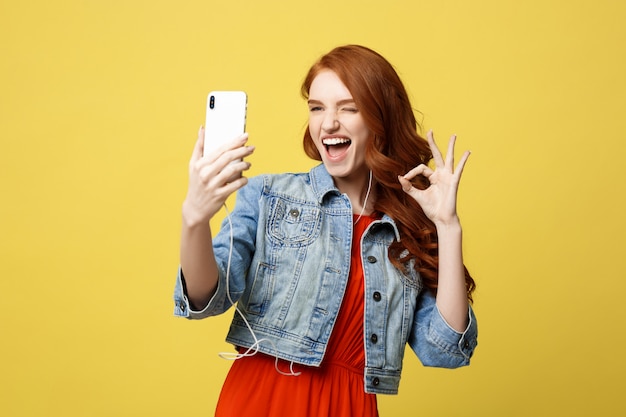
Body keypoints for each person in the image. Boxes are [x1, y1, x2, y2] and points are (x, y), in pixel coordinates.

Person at [173, 44, 478, 416]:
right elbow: (206, 298)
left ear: (381, 119)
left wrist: (447, 227)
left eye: (347, 108)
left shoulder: (405, 228)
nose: (327, 123)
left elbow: (443, 349)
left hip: (349, 406)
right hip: (261, 400)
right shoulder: (268, 197)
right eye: (317, 108)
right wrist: (195, 220)